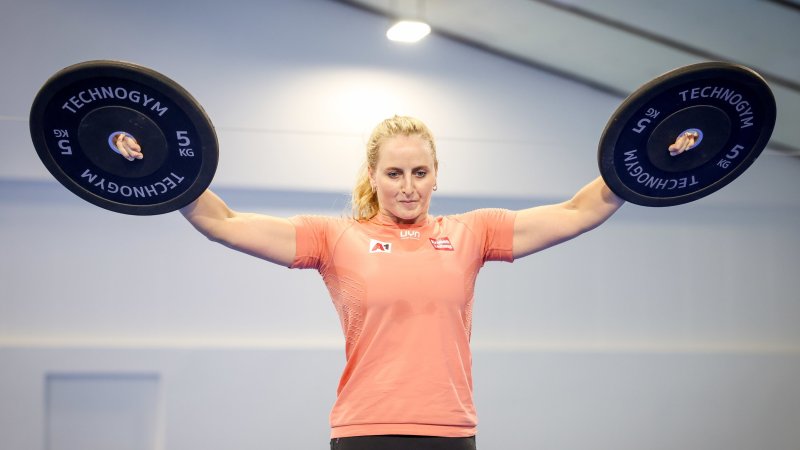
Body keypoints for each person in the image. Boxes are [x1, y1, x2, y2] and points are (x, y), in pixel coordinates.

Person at [114, 117, 697, 450]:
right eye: (394, 173)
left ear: (437, 176)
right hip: (365, 431)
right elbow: (224, 223)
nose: (408, 186)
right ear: (374, 175)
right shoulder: (333, 238)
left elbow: (576, 211)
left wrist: (643, 162)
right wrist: (164, 170)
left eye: (420, 172)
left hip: (450, 431)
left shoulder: (472, 233)